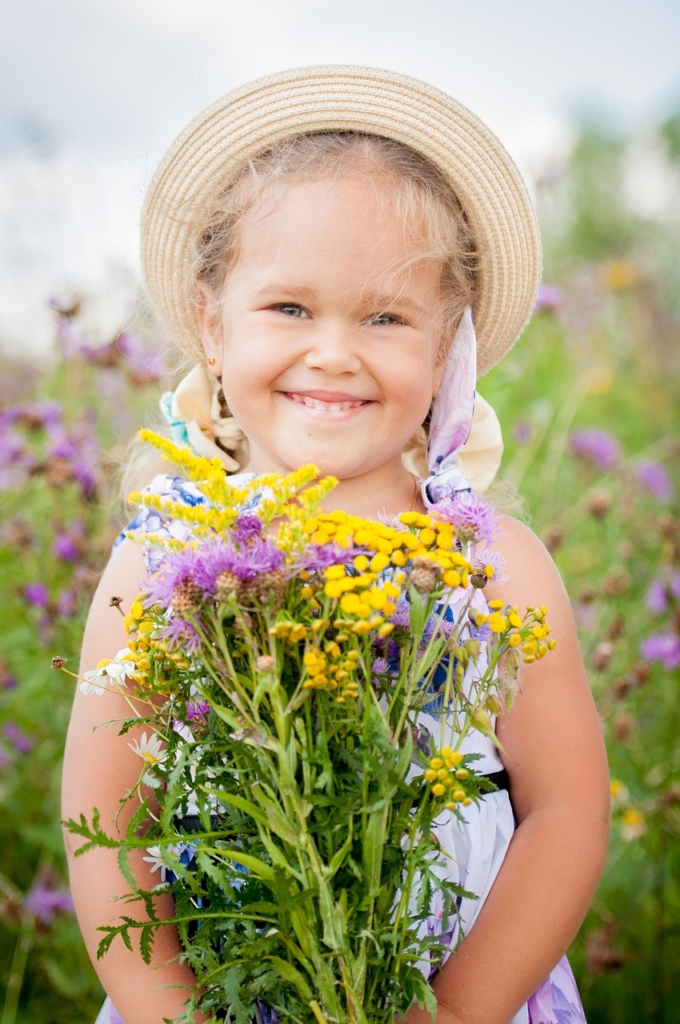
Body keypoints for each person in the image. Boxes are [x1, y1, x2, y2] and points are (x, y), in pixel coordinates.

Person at [62, 67, 610, 1024]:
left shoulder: (490, 565)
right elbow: (110, 831)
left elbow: (566, 815)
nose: (334, 351)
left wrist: (453, 1013)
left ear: (446, 352)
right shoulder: (160, 566)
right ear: (211, 325)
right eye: (289, 308)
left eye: (386, 317)